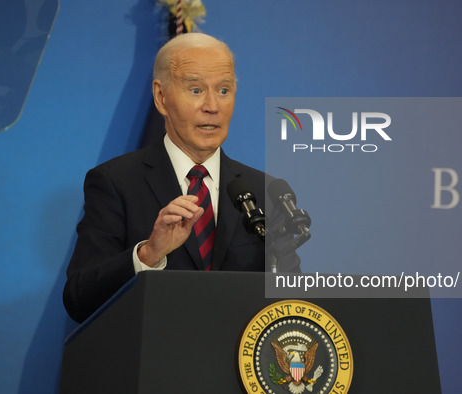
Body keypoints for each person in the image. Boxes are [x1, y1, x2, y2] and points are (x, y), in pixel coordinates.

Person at [64, 33, 300, 323]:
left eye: (224, 90)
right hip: (154, 362)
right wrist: (148, 255)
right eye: (196, 90)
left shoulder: (265, 191)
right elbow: (79, 298)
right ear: (161, 97)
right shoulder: (115, 182)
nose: (212, 106)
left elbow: (293, 303)